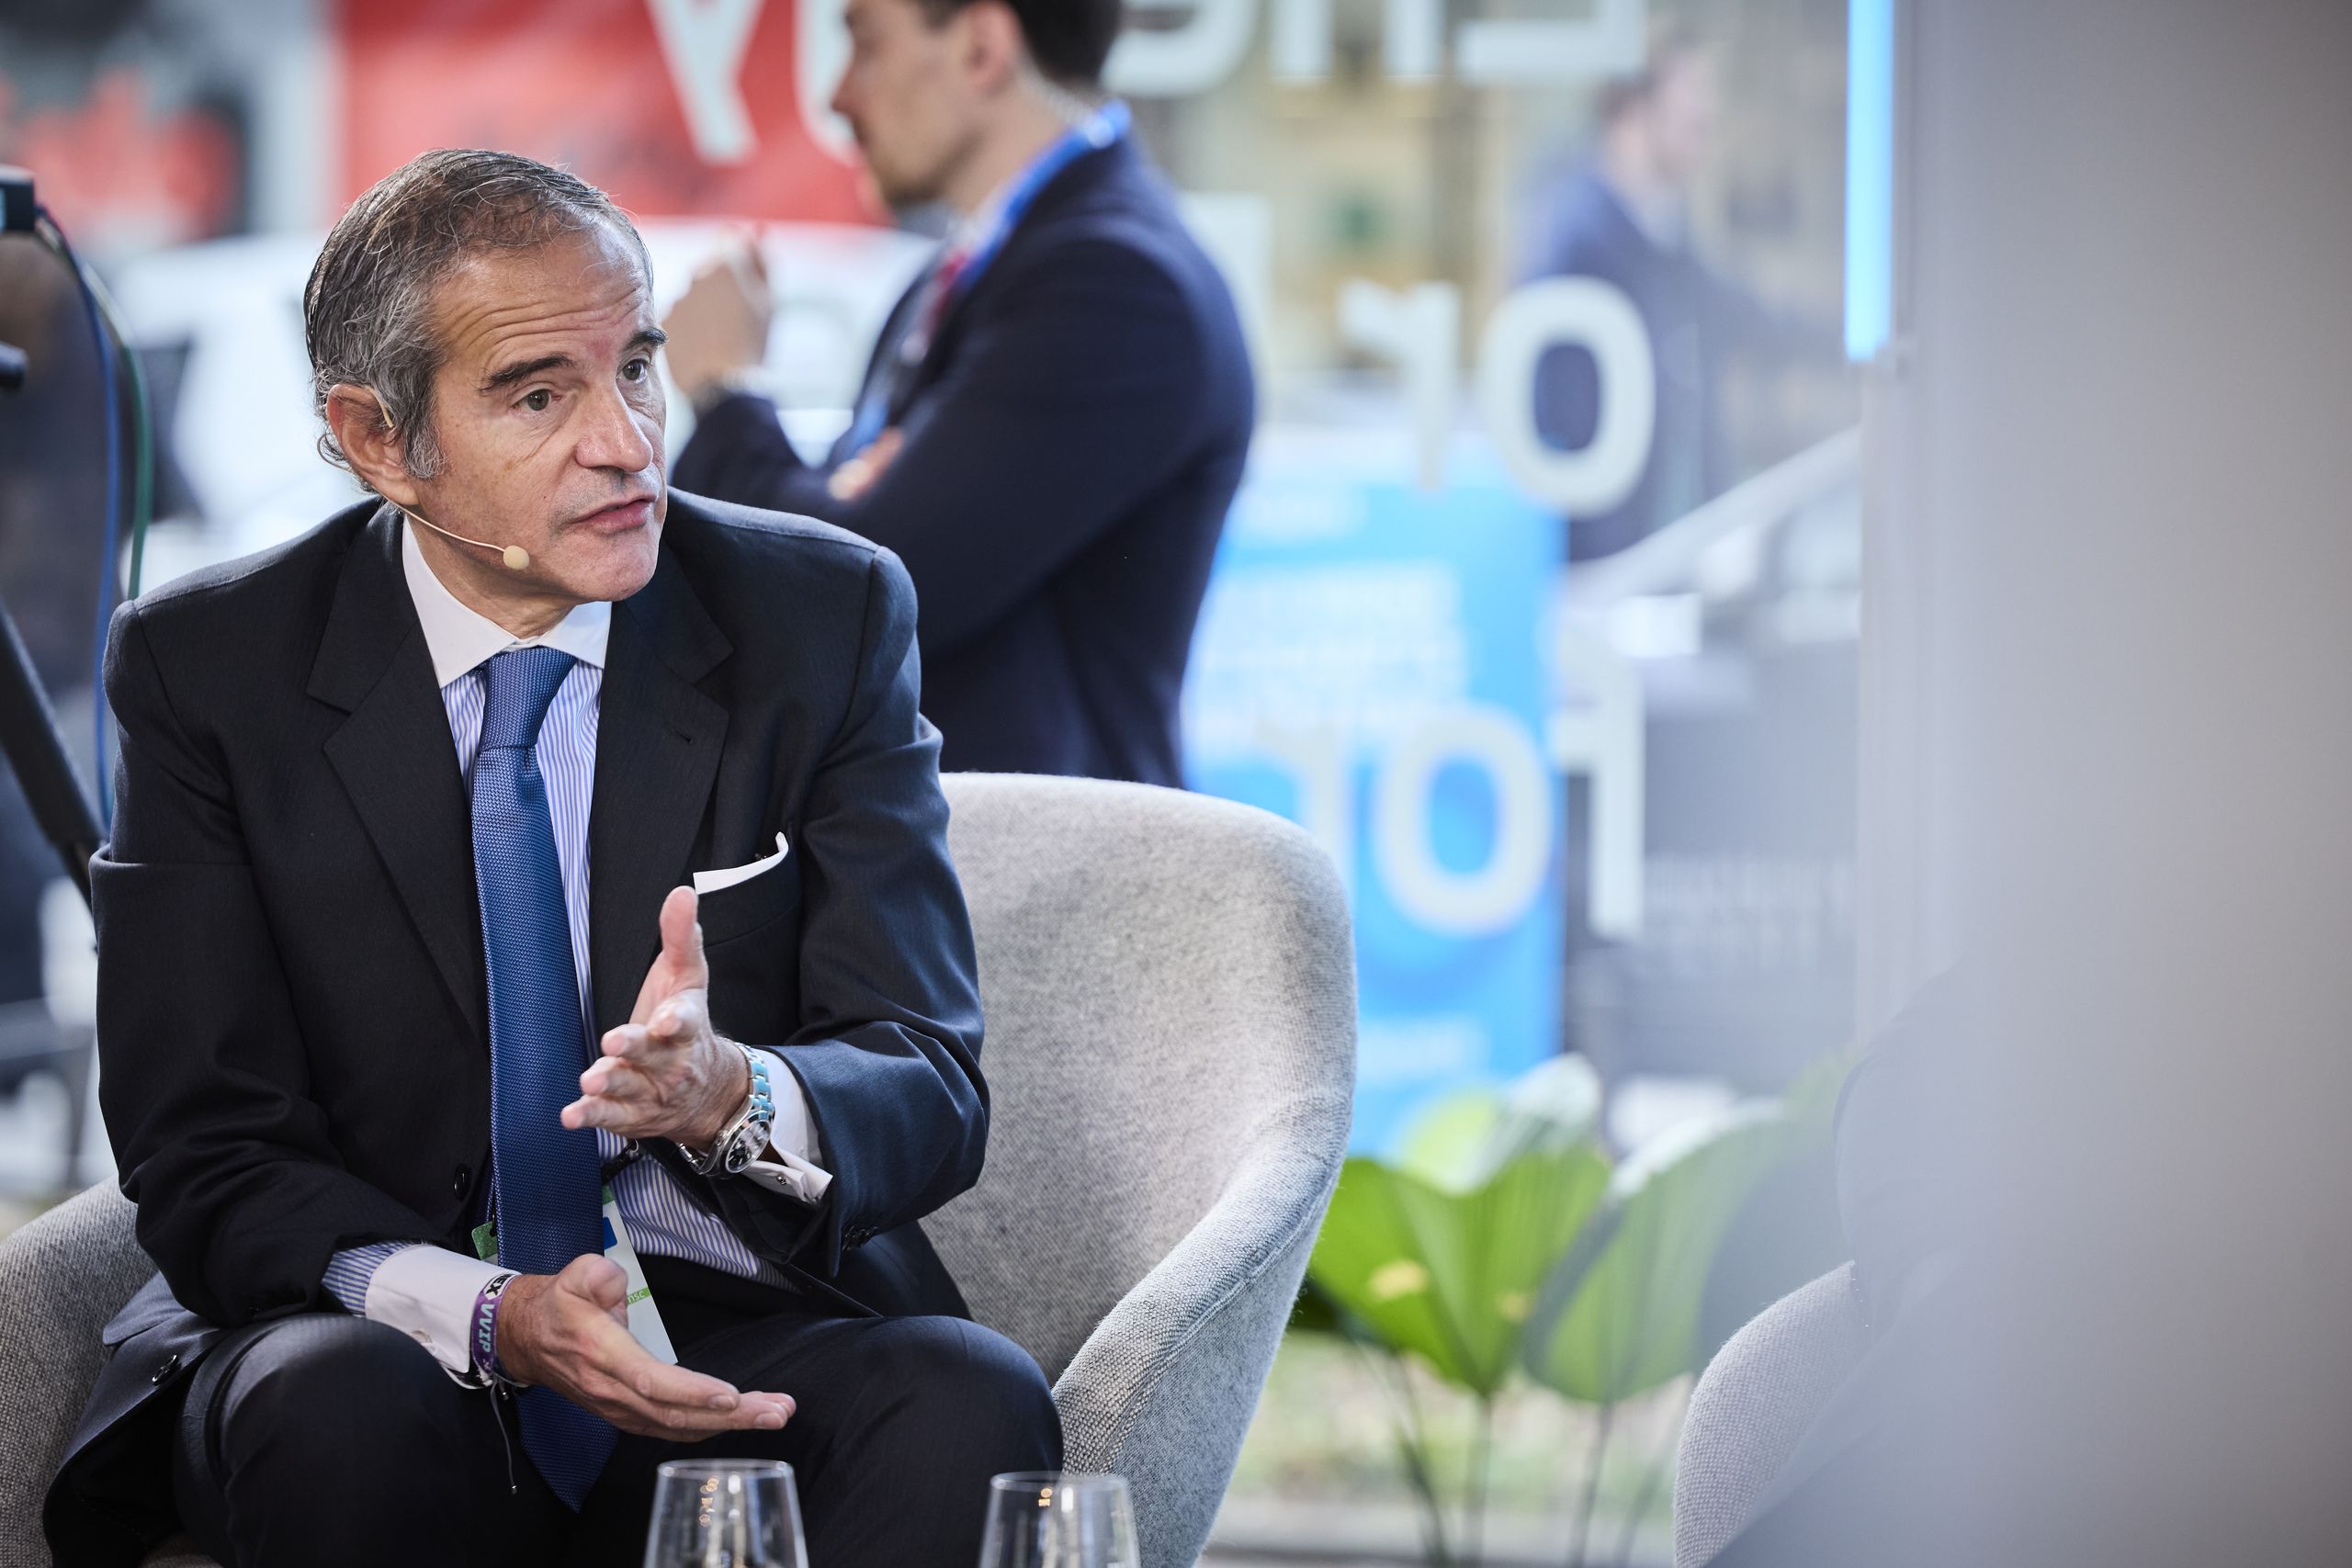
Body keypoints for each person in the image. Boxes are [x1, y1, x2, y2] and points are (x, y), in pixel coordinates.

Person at [42, 148, 1058, 1568]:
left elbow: (926, 1077)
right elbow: (205, 1147)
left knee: (965, 1397)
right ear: (379, 437)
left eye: (637, 366)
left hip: (723, 1321)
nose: (631, 439)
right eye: (540, 394)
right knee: (332, 1406)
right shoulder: (212, 668)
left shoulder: (818, 616)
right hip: (386, 1325)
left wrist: (731, 1093)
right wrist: (490, 1312)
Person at [662, 0, 1253, 787]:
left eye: (865, 43)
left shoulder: (1115, 283)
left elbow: (859, 597)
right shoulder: (977, 273)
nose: (838, 97)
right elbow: (853, 539)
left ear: (981, 46)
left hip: (1051, 887)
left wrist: (726, 387)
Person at [1521, 30, 1838, 561]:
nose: (1706, 115)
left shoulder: (1665, 237)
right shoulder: (1579, 243)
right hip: (1608, 568)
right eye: (1690, 94)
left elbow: (1749, 317)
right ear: (1632, 110)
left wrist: (1858, 344)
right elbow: (1559, 429)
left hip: (1667, 556)